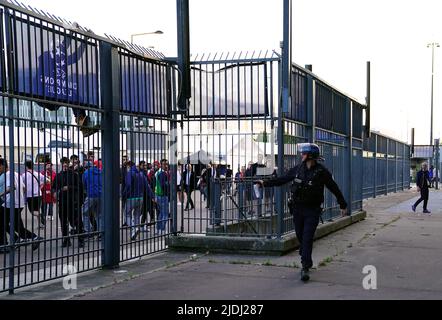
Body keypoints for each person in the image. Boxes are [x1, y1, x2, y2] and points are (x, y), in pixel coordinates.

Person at [256, 143, 347, 282]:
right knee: (300, 235)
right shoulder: (298, 169)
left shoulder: (322, 172)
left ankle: (305, 266)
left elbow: (334, 187)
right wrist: (264, 183)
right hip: (298, 209)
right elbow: (282, 180)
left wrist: (342, 204)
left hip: (313, 210)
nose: (301, 155)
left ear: (310, 155)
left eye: (303, 153)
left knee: (307, 237)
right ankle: (305, 254)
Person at [0, 159, 43, 252]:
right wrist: (19, 197)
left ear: (3, 165)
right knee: (17, 225)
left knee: (3, 223)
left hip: (10, 204)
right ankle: (31, 238)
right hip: (19, 203)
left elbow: (11, 187)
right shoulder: (16, 174)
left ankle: (20, 239)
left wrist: (1, 195)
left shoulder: (8, 175)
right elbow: (24, 188)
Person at [52, 157, 85, 248]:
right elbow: (54, 187)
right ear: (61, 164)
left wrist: (69, 187)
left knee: (76, 222)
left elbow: (80, 187)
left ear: (68, 164)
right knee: (63, 222)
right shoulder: (58, 175)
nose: (65, 166)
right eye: (63, 164)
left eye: (66, 164)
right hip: (62, 202)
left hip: (73, 202)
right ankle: (66, 240)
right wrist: (54, 192)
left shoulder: (74, 175)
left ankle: (81, 240)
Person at [123, 161, 156, 240]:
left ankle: (134, 229)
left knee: (127, 214)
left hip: (131, 197)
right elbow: (147, 187)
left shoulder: (130, 173)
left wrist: (124, 195)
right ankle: (135, 230)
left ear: (128, 166)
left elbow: (128, 185)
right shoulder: (141, 174)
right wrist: (152, 196)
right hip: (140, 198)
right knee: (137, 215)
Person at [22, 160, 48, 229]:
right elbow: (48, 180)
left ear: (26, 166)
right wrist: (41, 186)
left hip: (30, 195)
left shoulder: (24, 175)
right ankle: (40, 224)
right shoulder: (38, 174)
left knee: (33, 212)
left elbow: (22, 186)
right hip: (39, 195)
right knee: (37, 210)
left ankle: (41, 215)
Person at [82, 160, 103, 235]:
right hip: (100, 195)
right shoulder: (100, 172)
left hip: (90, 195)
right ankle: (100, 232)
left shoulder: (86, 173)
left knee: (85, 213)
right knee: (99, 215)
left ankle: (87, 231)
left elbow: (83, 184)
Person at [155, 159, 170, 233]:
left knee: (161, 213)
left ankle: (158, 229)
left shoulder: (158, 172)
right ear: (161, 164)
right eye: (164, 164)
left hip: (158, 194)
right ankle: (162, 229)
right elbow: (164, 185)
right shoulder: (162, 173)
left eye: (166, 164)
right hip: (163, 195)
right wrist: (169, 185)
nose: (166, 166)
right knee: (165, 214)